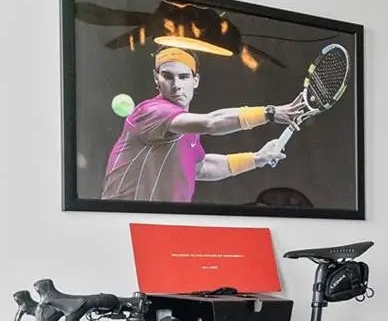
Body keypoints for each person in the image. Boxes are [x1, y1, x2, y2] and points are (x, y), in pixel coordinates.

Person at [101, 47, 302, 204]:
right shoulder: (151, 111)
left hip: (164, 222)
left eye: (184, 77)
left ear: (195, 80)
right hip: (122, 219)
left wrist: (257, 159)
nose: (176, 85)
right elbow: (211, 123)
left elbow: (202, 168)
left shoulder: (187, 127)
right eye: (168, 76)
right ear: (156, 78)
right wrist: (270, 113)